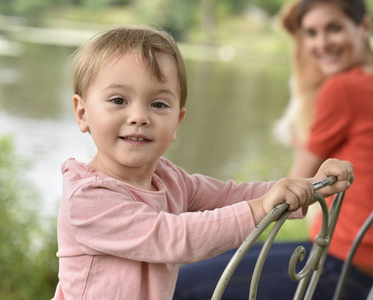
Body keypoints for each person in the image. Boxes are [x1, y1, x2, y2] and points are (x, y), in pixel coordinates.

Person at [52, 25, 354, 300]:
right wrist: (259, 209)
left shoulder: (168, 178)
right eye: (118, 100)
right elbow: (172, 237)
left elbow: (228, 195)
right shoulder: (88, 198)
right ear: (82, 113)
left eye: (158, 104)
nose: (139, 117)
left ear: (177, 122)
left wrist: (308, 186)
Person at [174, 0, 373, 299]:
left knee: (180, 284)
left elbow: (288, 196)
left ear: (365, 27)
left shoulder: (342, 89)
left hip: (338, 265)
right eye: (311, 33)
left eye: (334, 28)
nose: (321, 44)